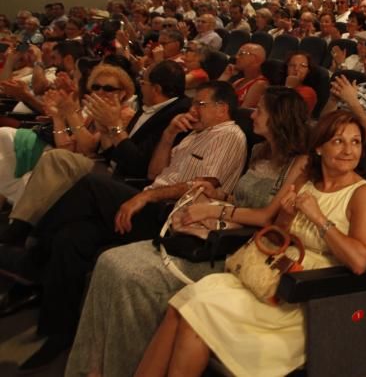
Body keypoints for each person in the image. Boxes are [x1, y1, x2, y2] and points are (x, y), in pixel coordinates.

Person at [64, 87, 311, 377]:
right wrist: (215, 193)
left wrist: (213, 210)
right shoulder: (259, 151)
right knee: (109, 262)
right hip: (217, 229)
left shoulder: (300, 162)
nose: (252, 114)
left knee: (130, 275)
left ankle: (123, 367)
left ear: (279, 118)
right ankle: (94, 367)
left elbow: (267, 214)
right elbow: (239, 198)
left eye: (260, 111)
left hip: (237, 246)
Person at [1, 81, 246, 370]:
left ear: (222, 109)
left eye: (200, 105)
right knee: (72, 238)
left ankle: (27, 244)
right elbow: (155, 172)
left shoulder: (229, 135)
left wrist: (145, 196)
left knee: (91, 184)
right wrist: (168, 135)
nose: (192, 110)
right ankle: (59, 332)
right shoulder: (191, 135)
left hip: (174, 217)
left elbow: (203, 186)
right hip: (150, 200)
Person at [134, 110, 366, 377]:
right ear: (319, 147)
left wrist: (319, 218)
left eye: (356, 142)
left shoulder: (363, 193)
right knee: (180, 305)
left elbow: (359, 261)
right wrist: (287, 216)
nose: (348, 150)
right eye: (339, 141)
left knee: (198, 314)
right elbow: (279, 234)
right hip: (271, 273)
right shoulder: (306, 180)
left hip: (305, 293)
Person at [0, 61, 190, 247]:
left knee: (50, 157)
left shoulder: (163, 114)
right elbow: (105, 152)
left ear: (154, 89)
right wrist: (68, 118)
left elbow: (132, 163)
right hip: (99, 164)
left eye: (107, 88)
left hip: (124, 179)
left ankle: (22, 231)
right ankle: (21, 229)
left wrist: (103, 124)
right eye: (96, 87)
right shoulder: (140, 110)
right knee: (44, 159)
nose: (100, 92)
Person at [220, 43, 267, 108]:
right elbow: (214, 97)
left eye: (241, 53)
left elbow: (242, 113)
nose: (236, 57)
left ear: (254, 59)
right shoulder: (239, 81)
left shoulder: (260, 84)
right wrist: (225, 75)